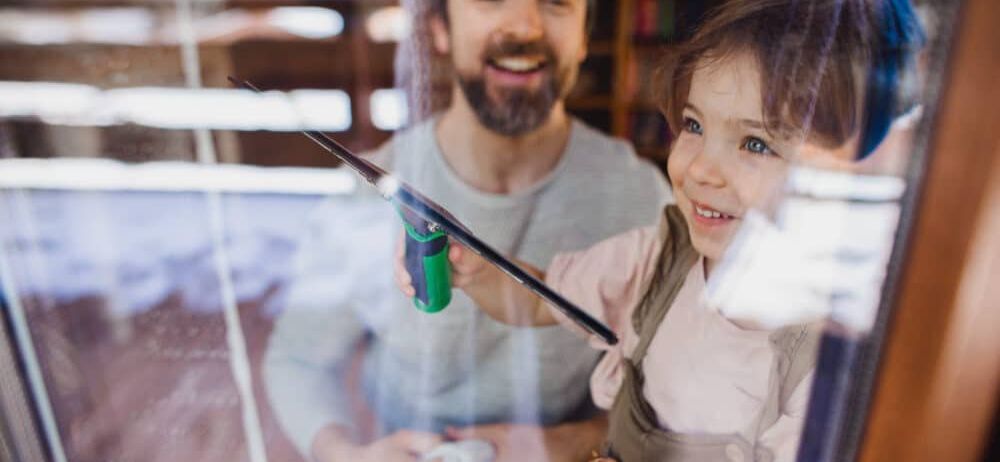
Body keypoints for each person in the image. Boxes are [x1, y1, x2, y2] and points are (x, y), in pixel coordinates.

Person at [397, 1, 923, 460]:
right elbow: (540, 299)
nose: (699, 169)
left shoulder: (828, 357)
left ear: (842, 172)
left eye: (755, 144)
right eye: (694, 126)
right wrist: (477, 270)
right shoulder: (657, 257)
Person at [264, 0, 670, 461]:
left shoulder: (645, 199)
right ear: (440, 29)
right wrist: (343, 453)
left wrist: (574, 442)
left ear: (582, 37)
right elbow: (298, 359)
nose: (524, 24)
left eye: (557, 2)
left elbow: (674, 384)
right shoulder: (371, 189)